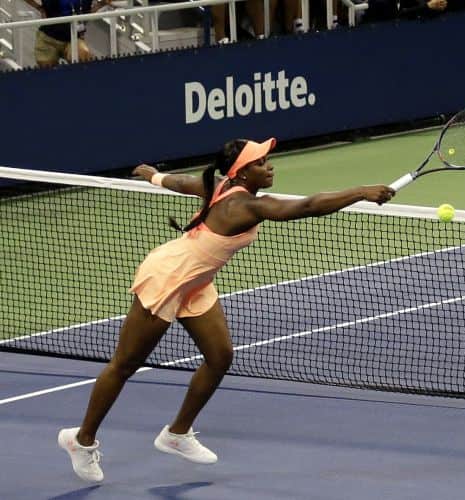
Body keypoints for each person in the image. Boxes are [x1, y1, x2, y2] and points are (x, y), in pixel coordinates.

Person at [58, 138, 395, 482]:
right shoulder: (245, 207)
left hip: (195, 282)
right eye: (261, 162)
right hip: (167, 278)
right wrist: (361, 191)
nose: (270, 167)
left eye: (268, 160)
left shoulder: (219, 186)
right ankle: (81, 440)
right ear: (243, 172)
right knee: (124, 364)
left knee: (220, 357)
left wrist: (152, 175)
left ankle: (176, 434)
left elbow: (178, 182)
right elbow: (307, 206)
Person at [35, 0, 110, 68]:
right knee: (47, 74)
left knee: (84, 59)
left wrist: (101, 4)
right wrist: (39, 8)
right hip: (48, 39)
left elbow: (86, 13)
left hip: (72, 38)